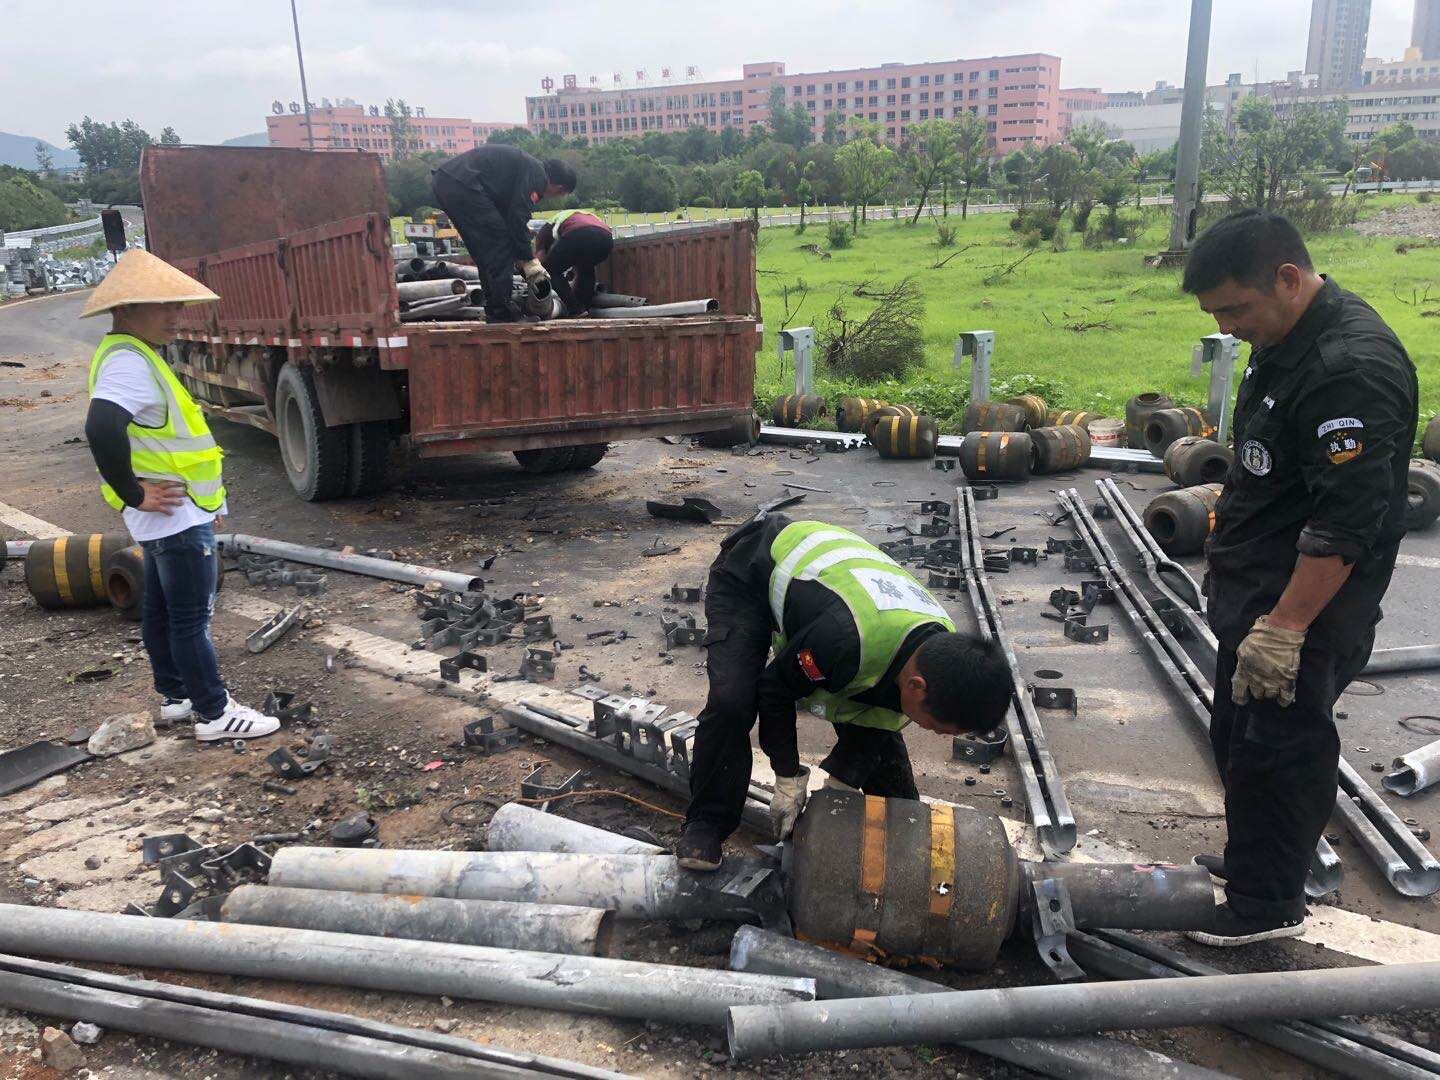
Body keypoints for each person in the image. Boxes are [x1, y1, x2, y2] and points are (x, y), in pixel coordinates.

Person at [1181, 209, 1417, 946]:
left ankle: (1265, 907)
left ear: (1287, 278)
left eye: (1235, 309)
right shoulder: (1285, 337)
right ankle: (1254, 862)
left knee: (1279, 752)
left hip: (1301, 609)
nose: (1227, 327)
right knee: (1240, 739)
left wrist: (1285, 628)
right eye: (1215, 315)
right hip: (1259, 596)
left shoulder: (1347, 370)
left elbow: (1346, 523)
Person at [677, 513, 1013, 871]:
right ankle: (706, 823)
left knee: (885, 761)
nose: (936, 733)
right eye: (938, 726)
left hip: (829, 600)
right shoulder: (843, 641)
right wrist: (788, 776)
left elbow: (879, 722)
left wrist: (843, 781)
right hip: (751, 571)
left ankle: (906, 846)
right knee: (733, 701)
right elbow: (775, 690)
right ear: (917, 686)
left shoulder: (940, 651)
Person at [81, 249, 281, 742]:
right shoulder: (129, 362)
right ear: (126, 308)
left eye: (178, 304)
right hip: (170, 513)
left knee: (162, 608)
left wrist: (199, 504)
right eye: (164, 305)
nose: (176, 315)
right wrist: (132, 493)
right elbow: (102, 426)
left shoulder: (132, 353)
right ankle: (215, 713)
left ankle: (177, 696)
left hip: (173, 512)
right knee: (192, 617)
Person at [429, 145, 577, 322]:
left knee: (484, 250)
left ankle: (494, 308)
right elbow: (517, 215)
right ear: (559, 188)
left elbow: (507, 213)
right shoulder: (538, 175)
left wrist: (522, 232)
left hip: (448, 181)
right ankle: (501, 312)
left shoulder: (526, 169)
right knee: (501, 246)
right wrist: (529, 260)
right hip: (463, 184)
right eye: (559, 194)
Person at [535, 208, 613, 316]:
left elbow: (539, 259)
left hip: (578, 233)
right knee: (586, 268)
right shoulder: (584, 215)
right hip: (606, 239)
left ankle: (575, 309)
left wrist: (535, 279)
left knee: (551, 270)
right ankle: (584, 307)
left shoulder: (545, 229)